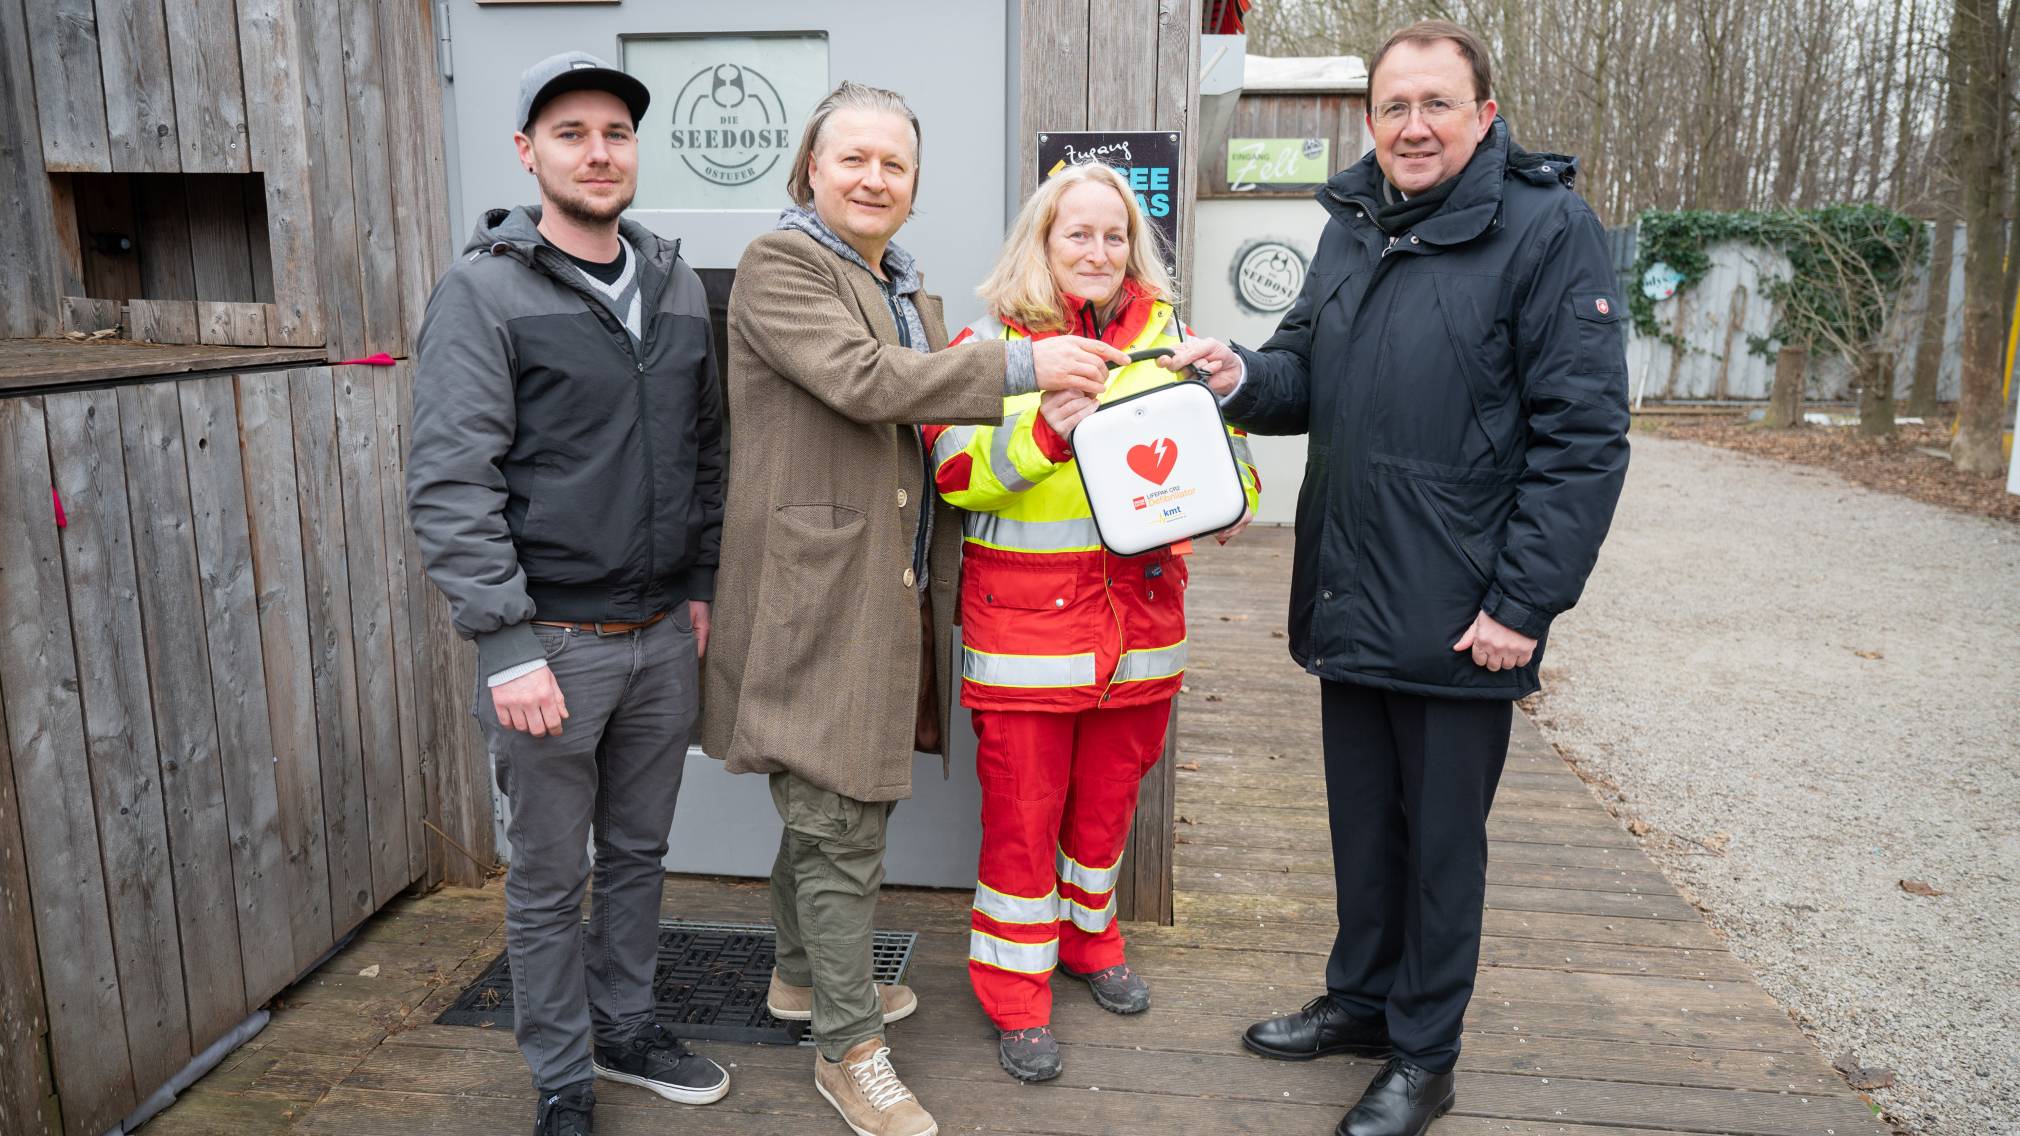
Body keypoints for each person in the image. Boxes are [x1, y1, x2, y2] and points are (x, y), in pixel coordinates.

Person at [1164, 20, 1631, 1136]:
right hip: (1352, 587)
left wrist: (1523, 602)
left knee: (1440, 850)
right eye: (1393, 107)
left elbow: (1584, 438)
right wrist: (1238, 375)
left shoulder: (1546, 230)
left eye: (1436, 104)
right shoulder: (1354, 222)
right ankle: (1363, 1001)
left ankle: (1425, 1055)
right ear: (1370, 119)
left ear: (1484, 114)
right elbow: (1302, 373)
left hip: (1464, 607)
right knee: (1366, 826)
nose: (1413, 127)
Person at [699, 81, 1125, 1136]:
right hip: (817, 595)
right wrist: (1025, 363)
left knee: (834, 811)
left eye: (895, 163)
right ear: (810, 168)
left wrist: (1060, 423)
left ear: (915, 181)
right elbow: (864, 380)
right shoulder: (782, 263)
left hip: (886, 594)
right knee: (838, 820)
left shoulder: (903, 288)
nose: (874, 178)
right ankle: (847, 1049)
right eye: (853, 158)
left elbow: (935, 435)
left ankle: (800, 977)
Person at [407, 51, 730, 1136]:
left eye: (616, 133)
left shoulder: (674, 282)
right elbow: (452, 482)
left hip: (661, 635)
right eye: (571, 133)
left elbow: (705, 447)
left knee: (638, 854)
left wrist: (699, 581)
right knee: (549, 878)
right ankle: (561, 1076)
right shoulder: (484, 292)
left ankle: (626, 1025)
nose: (599, 153)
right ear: (527, 152)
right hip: (550, 641)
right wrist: (505, 643)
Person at [923, 161, 1260, 1083]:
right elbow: (954, 473)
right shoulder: (989, 343)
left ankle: (1090, 940)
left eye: (1116, 235)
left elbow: (1228, 451)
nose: (1099, 251)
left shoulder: (1173, 341)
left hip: (1141, 631)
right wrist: (1043, 433)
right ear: (1042, 240)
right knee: (1023, 825)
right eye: (1079, 233)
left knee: (1107, 811)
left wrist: (1235, 495)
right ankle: (1014, 993)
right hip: (1027, 639)